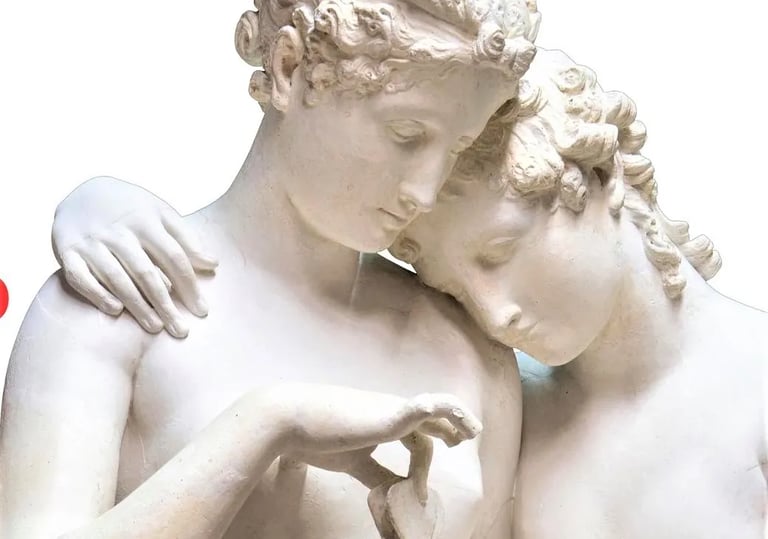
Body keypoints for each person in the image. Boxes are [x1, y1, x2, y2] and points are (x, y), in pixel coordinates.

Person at [59, 47, 768, 537]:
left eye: (499, 252)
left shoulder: (752, 383)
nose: (493, 312)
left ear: (601, 177)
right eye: (453, 287)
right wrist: (94, 199)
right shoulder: (516, 404)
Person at [0, 0, 539, 537]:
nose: (425, 191)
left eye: (457, 149)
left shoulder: (473, 353)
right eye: (406, 133)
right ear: (289, 68)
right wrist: (267, 424)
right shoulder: (117, 297)